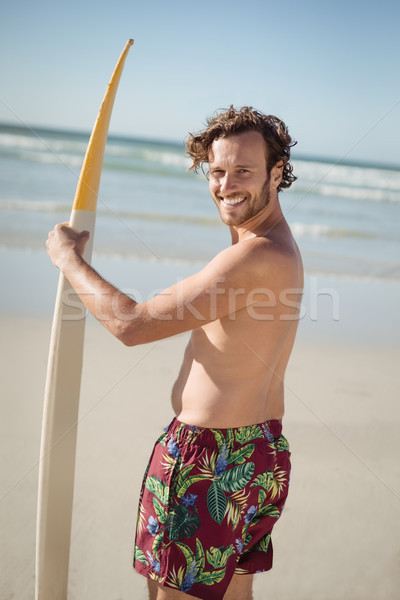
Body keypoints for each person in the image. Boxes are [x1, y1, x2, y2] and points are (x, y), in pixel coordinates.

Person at [46, 106, 303, 600]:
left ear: (276, 173)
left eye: (243, 171)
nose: (226, 184)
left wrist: (68, 259)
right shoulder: (279, 248)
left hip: (210, 459)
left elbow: (131, 324)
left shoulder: (252, 257)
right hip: (260, 455)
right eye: (217, 170)